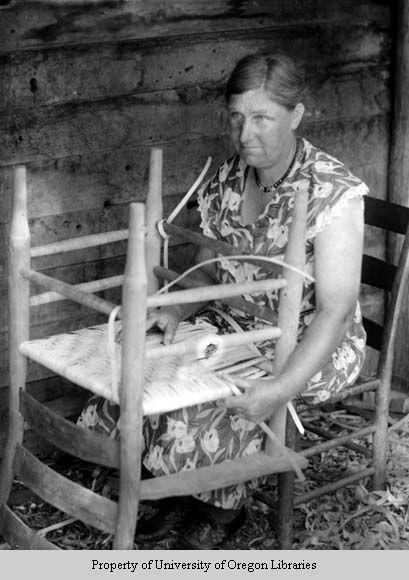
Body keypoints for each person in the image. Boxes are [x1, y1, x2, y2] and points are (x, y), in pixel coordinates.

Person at [78, 53, 367, 548]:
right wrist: (176, 310)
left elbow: (336, 310)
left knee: (217, 402)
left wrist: (280, 387)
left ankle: (218, 509)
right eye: (236, 116)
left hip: (310, 339)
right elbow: (208, 269)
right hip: (231, 318)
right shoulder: (227, 176)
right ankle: (168, 489)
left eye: (262, 118)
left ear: (295, 116)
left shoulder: (333, 192)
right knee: (148, 374)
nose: (244, 132)